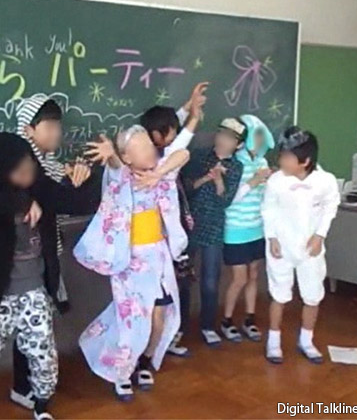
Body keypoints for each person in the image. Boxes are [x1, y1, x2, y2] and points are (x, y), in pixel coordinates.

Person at [0, 133, 100, 420]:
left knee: (44, 356)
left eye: (29, 165)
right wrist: (21, 201)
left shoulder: (40, 185)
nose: (27, 174)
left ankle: (41, 405)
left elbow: (80, 202)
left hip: (34, 291)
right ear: (1, 173)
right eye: (18, 171)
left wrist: (89, 177)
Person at [75, 127, 190, 401]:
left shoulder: (161, 172)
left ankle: (145, 361)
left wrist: (159, 174)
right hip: (130, 263)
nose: (151, 151)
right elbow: (115, 166)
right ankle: (122, 373)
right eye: (143, 148)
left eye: (150, 145)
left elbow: (183, 154)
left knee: (160, 317)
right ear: (127, 157)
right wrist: (112, 156)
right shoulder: (121, 178)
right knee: (133, 323)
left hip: (158, 258)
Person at [11, 94, 93, 409]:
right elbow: (66, 201)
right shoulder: (24, 166)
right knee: (29, 322)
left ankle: (32, 382)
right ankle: (23, 386)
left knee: (37, 321)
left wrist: (78, 179)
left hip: (41, 255)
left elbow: (70, 199)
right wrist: (79, 183)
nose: (57, 132)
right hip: (26, 260)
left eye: (58, 125)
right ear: (28, 129)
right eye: (49, 126)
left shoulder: (48, 165)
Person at [139, 82, 208, 356]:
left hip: (165, 239)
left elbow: (171, 132)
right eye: (171, 130)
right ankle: (159, 344)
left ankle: (165, 340)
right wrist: (194, 116)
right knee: (168, 294)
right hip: (163, 242)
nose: (175, 132)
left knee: (170, 294)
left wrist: (188, 106)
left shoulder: (149, 149)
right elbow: (182, 143)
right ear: (157, 136)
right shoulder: (158, 162)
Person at [262, 127, 340, 365]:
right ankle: (273, 342)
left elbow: (330, 207)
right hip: (281, 247)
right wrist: (272, 238)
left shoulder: (325, 181)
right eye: (281, 155)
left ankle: (306, 340)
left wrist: (320, 235)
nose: (281, 161)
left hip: (310, 248)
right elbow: (268, 209)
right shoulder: (276, 181)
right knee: (279, 294)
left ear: (305, 161)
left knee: (312, 296)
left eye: (287, 157)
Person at [185, 117, 247, 347]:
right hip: (189, 224)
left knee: (210, 281)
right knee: (183, 278)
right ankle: (179, 328)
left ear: (238, 145)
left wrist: (219, 180)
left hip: (214, 227)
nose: (222, 140)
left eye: (230, 138)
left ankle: (208, 326)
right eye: (221, 133)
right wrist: (206, 178)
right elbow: (186, 189)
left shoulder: (236, 167)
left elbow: (225, 201)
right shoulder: (200, 156)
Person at [220, 115, 274, 343]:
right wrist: (253, 181)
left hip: (257, 228)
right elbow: (229, 199)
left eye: (262, 135)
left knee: (254, 274)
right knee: (239, 278)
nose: (260, 140)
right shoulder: (234, 163)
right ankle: (226, 320)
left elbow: (266, 196)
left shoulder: (262, 162)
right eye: (256, 135)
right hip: (236, 229)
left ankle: (249, 319)